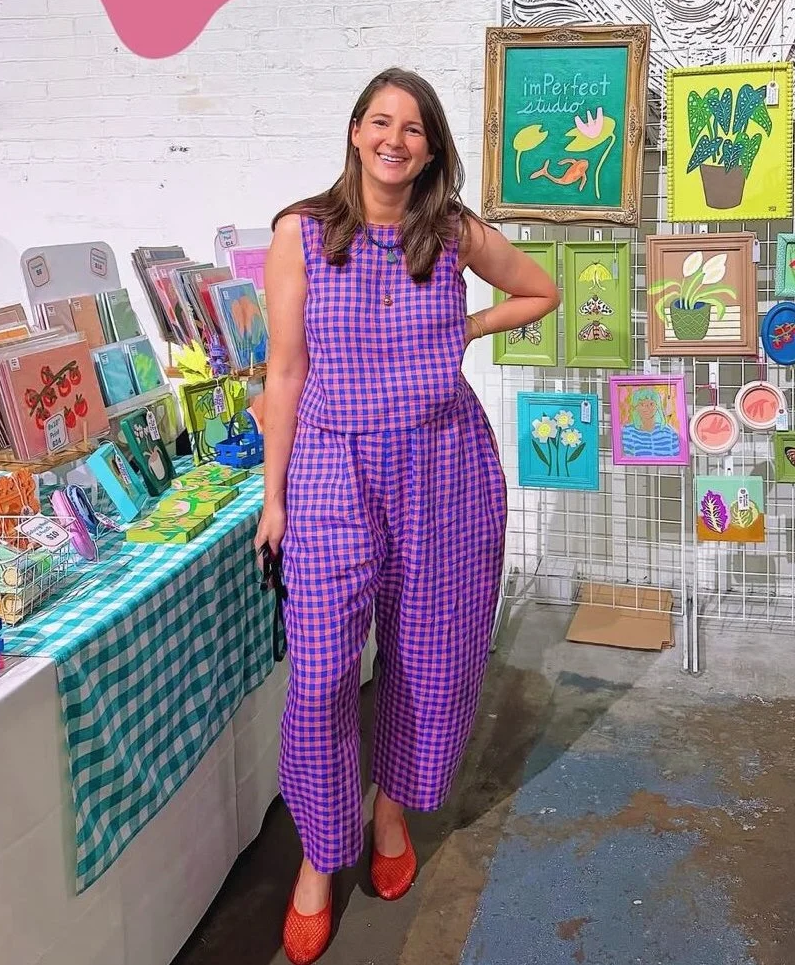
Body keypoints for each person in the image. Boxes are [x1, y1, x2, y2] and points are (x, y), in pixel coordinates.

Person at [255, 67, 560, 964]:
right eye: (381, 121)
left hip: (442, 464)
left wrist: (459, 331)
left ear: (431, 147)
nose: (396, 138)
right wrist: (273, 499)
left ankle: (390, 811)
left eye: (415, 127)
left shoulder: (450, 231)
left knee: (430, 654)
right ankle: (321, 850)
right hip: (330, 469)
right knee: (316, 679)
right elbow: (284, 372)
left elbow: (538, 288)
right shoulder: (301, 233)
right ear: (354, 132)